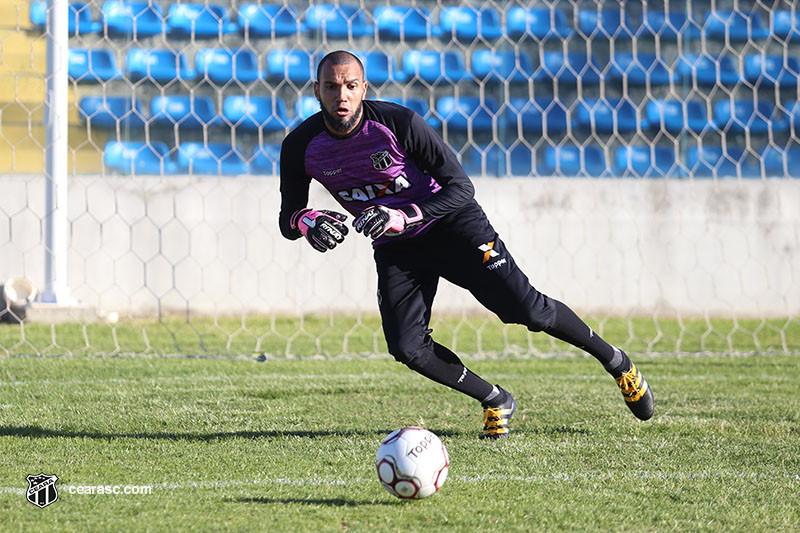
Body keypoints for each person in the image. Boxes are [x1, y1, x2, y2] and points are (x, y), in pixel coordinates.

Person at [278, 50, 654, 439]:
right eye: (332, 86)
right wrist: (306, 221)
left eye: (350, 86)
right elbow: (288, 217)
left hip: (453, 226)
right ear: (317, 91)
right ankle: (495, 399)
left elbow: (462, 187)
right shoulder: (300, 146)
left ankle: (618, 362)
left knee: (529, 312)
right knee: (407, 347)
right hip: (398, 248)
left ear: (363, 89)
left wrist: (404, 215)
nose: (342, 95)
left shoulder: (399, 122)